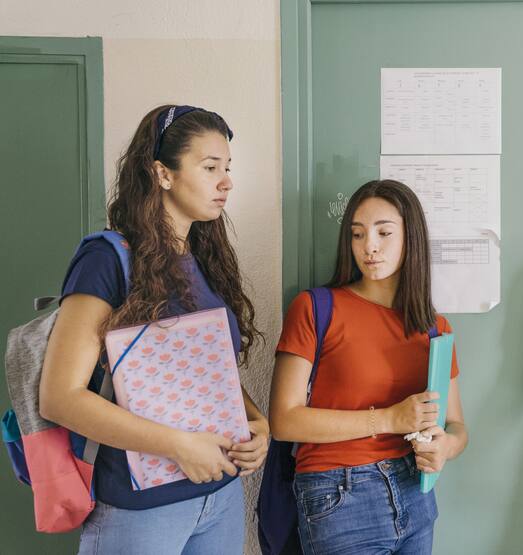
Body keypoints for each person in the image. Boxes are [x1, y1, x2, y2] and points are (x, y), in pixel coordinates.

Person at [39, 105, 269, 554]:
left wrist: (255, 422)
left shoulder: (204, 258)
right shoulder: (106, 259)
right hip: (139, 509)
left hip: (218, 496)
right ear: (163, 174)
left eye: (227, 168)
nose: (226, 181)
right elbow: (60, 397)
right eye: (209, 168)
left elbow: (200, 368)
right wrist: (180, 446)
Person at [269, 179, 468, 554]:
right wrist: (391, 419)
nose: (369, 247)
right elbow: (284, 421)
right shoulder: (315, 308)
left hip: (416, 495)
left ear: (411, 238)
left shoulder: (435, 328)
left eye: (384, 233)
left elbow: (456, 424)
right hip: (338, 496)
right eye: (357, 235)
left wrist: (446, 447)